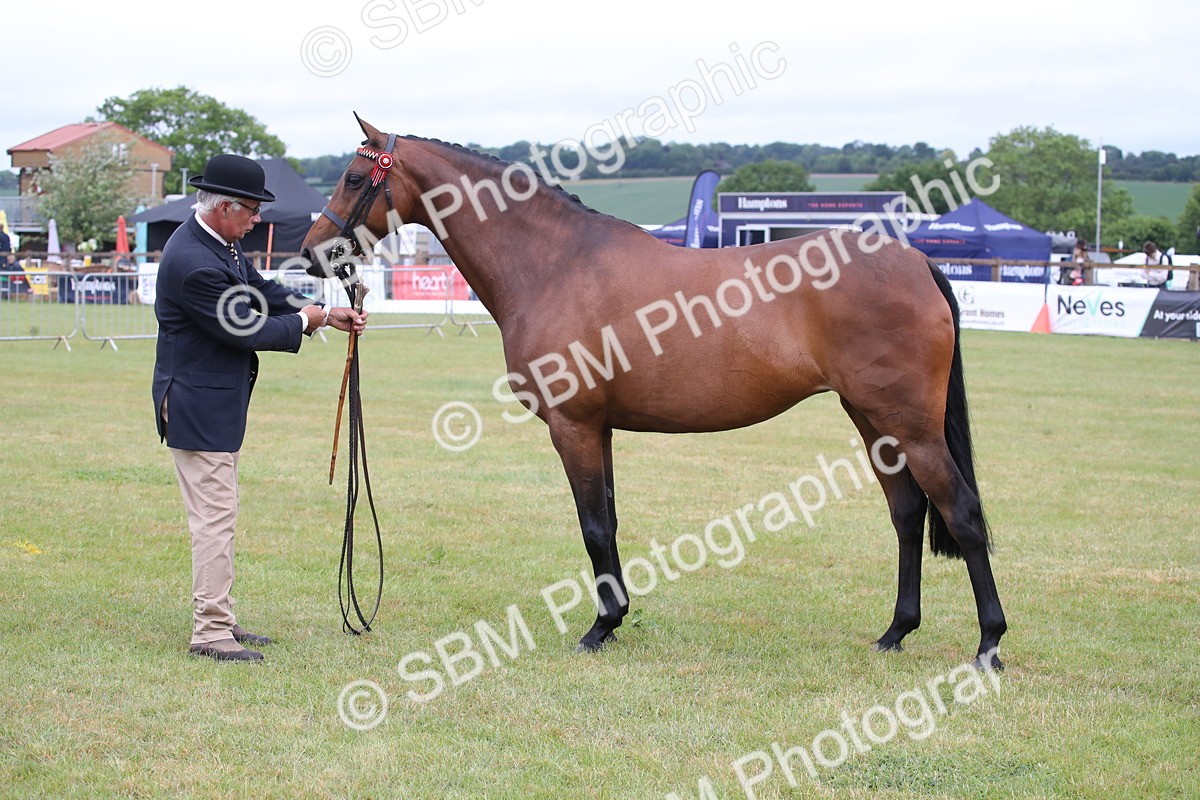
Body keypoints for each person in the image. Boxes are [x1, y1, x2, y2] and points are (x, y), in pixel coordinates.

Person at [152, 154, 368, 663]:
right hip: (196, 406)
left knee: (220, 515)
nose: (257, 220)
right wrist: (307, 323)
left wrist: (320, 309)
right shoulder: (194, 263)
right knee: (215, 520)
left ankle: (221, 619)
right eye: (251, 211)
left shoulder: (218, 244)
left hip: (214, 404)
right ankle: (209, 631)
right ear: (224, 206)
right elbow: (245, 327)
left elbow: (259, 291)